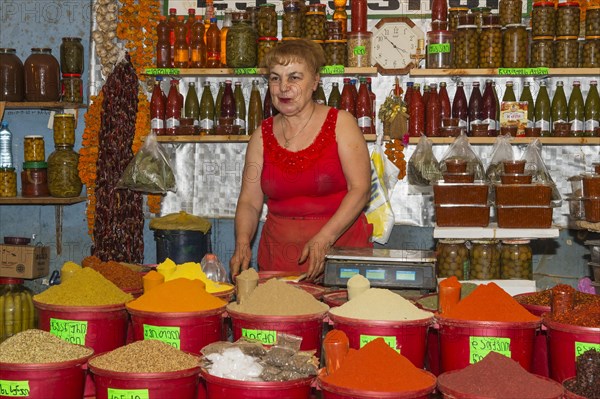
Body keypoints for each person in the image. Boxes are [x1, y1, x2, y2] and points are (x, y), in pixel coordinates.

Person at [229, 39, 373, 281]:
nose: (283, 87)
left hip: (341, 254)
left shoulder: (341, 123)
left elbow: (360, 189)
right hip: (279, 260)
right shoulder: (260, 137)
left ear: (315, 81)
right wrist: (243, 242)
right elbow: (250, 201)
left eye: (294, 77)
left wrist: (325, 237)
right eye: (275, 78)